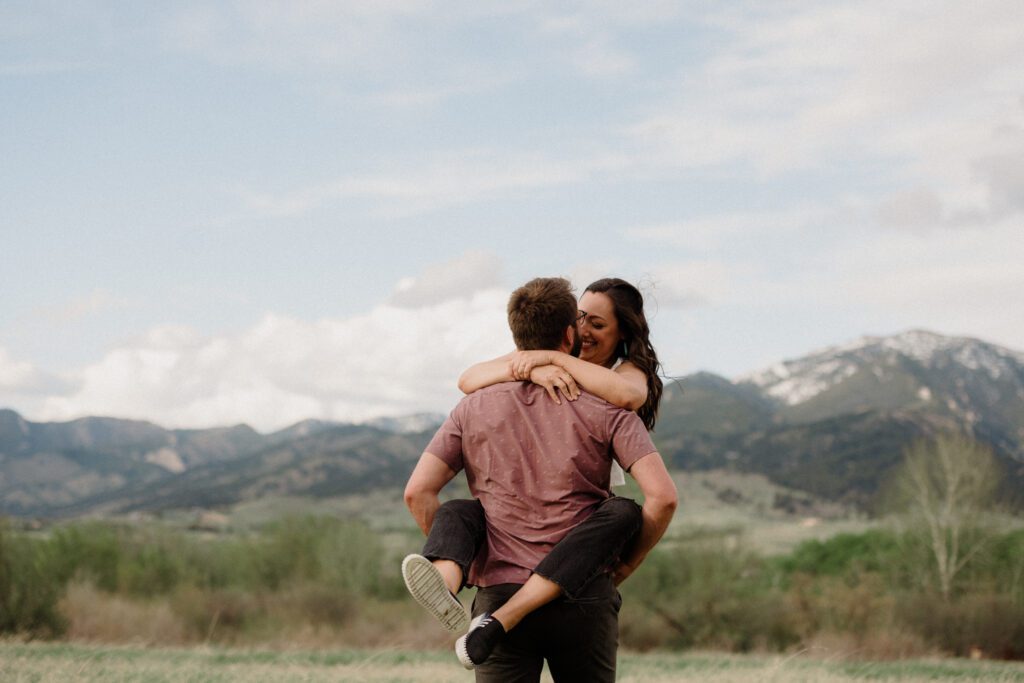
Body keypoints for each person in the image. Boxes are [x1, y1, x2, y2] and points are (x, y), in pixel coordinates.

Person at [404, 277, 677, 680]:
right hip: (583, 593)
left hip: (499, 591)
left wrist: (481, 565)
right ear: (568, 330)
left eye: (597, 324)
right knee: (622, 512)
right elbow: (664, 498)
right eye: (580, 319)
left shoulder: (477, 406)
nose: (585, 330)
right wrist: (623, 567)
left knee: (465, 511)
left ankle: (451, 575)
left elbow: (418, 492)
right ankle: (455, 580)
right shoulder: (607, 410)